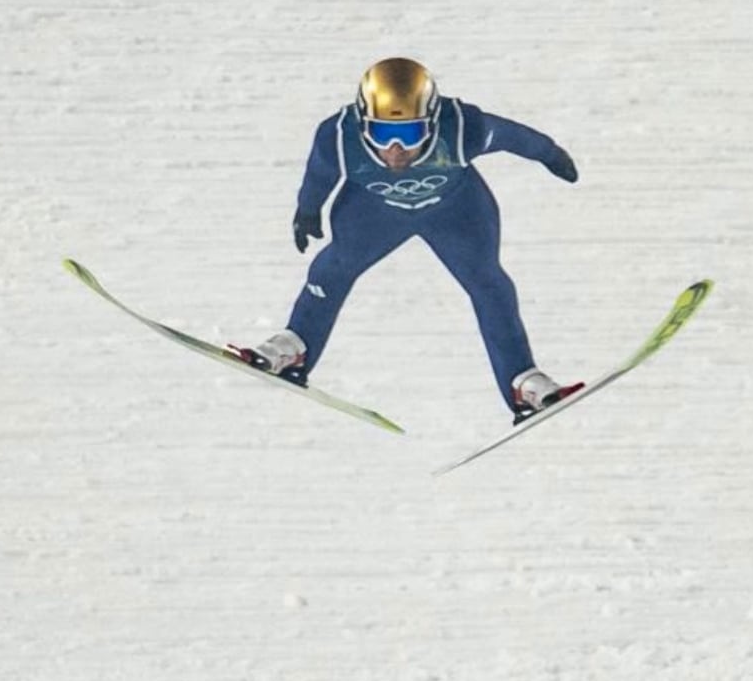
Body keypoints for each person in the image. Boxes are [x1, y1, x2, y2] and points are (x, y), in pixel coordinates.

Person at [245, 57, 583, 423]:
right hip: (373, 213)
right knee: (334, 266)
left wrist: (551, 155)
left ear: (434, 121)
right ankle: (296, 348)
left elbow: (516, 137)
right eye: (380, 133)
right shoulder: (338, 135)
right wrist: (307, 210)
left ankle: (523, 382)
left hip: (456, 213)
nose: (395, 149)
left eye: (409, 134)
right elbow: (319, 172)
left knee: (489, 284)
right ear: (362, 122)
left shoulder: (462, 127)